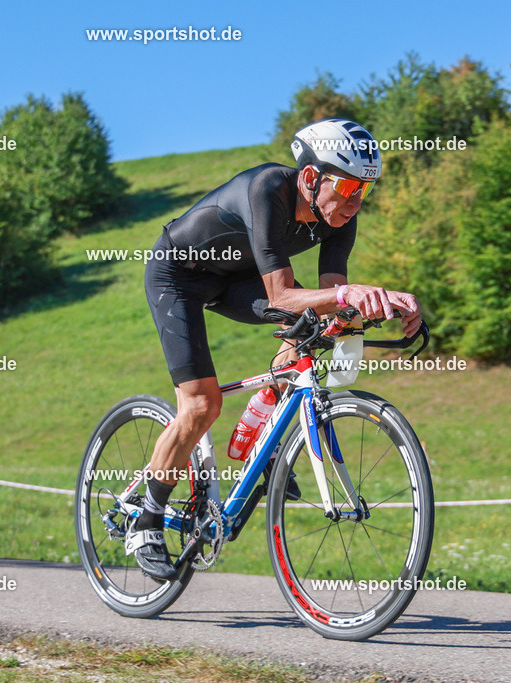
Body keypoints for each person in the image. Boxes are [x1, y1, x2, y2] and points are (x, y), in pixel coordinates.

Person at [130, 119, 422, 580]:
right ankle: (146, 519)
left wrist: (386, 305)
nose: (355, 201)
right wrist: (349, 295)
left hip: (241, 280)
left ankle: (265, 434)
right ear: (310, 177)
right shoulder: (268, 190)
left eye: (364, 190)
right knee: (202, 405)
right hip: (179, 276)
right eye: (348, 186)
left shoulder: (340, 217)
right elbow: (284, 295)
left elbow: (332, 301)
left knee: (311, 329)